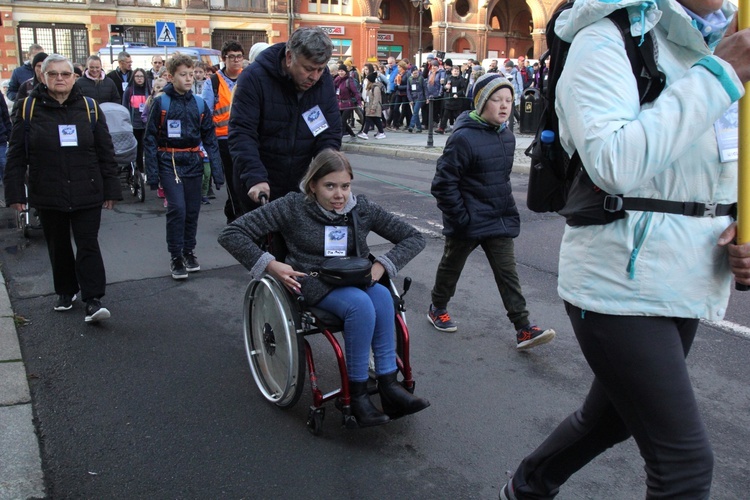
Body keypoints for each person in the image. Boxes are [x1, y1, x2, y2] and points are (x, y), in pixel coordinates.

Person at [498, 0, 750, 497]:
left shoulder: (712, 46)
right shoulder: (604, 38)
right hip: (617, 279)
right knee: (685, 466)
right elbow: (614, 162)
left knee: (610, 418)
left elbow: (718, 167)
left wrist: (742, 225)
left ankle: (525, 488)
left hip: (686, 275)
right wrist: (719, 74)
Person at [218, 148, 430, 427]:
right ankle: (356, 396)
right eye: (330, 186)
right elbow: (231, 233)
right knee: (361, 305)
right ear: (313, 186)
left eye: (345, 186)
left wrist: (383, 265)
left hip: (354, 276)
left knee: (382, 297)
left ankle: (389, 385)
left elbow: (414, 237)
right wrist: (270, 264)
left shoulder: (361, 208)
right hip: (312, 280)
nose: (340, 195)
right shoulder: (292, 207)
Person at [427, 73, 556, 349]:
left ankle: (523, 328)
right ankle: (437, 307)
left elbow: (501, 178)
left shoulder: (507, 137)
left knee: (508, 274)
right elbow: (443, 184)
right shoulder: (463, 138)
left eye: (509, 100)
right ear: (482, 102)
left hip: (498, 218)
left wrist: (506, 210)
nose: (504, 106)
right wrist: (461, 218)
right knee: (451, 268)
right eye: (497, 99)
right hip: (468, 222)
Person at [4, 54, 121, 323]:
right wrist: (14, 194)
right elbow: (16, 156)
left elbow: (105, 151)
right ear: (43, 77)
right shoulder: (27, 108)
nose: (60, 78)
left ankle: (93, 299)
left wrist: (112, 189)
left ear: (74, 77)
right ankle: (66, 291)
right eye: (53, 74)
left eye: (65, 74)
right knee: (58, 245)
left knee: (88, 243)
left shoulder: (90, 107)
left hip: (87, 188)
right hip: (47, 189)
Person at [228, 27, 342, 213]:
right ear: (289, 58)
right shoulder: (254, 78)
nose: (314, 77)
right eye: (308, 69)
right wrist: (255, 177)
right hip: (259, 185)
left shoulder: (323, 81)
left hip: (300, 186)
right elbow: (242, 133)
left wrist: (325, 173)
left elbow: (329, 132)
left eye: (321, 69)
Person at [144, 54, 225, 280]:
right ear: (171, 76)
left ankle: (189, 251)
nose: (189, 79)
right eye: (183, 75)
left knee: (192, 210)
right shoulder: (161, 102)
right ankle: (175, 256)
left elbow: (210, 139)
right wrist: (152, 174)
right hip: (168, 161)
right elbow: (149, 139)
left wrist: (217, 173)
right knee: (177, 209)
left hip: (193, 161)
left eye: (191, 74)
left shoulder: (199, 104)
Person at [202, 40, 244, 223]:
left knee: (243, 178)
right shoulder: (213, 82)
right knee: (233, 179)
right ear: (224, 59)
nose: (236, 61)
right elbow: (206, 113)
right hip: (223, 139)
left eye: (239, 57)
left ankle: (233, 212)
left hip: (245, 137)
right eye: (232, 57)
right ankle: (237, 217)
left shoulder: (247, 78)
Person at [122, 68, 151, 176]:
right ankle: (138, 170)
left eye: (141, 76)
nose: (139, 79)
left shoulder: (148, 90)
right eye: (137, 76)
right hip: (133, 124)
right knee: (136, 148)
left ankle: (146, 170)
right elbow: (125, 107)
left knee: (145, 147)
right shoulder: (129, 91)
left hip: (146, 124)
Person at [437, 65, 468, 133]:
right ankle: (441, 128)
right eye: (455, 71)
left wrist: (457, 94)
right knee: (445, 116)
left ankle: (460, 128)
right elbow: (443, 88)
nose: (456, 72)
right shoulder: (448, 78)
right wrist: (445, 87)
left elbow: (463, 89)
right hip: (449, 99)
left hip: (457, 100)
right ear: (452, 71)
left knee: (457, 116)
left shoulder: (461, 79)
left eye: (457, 71)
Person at [333, 63, 361, 140]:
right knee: (341, 121)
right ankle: (352, 134)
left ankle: (339, 139)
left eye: (342, 71)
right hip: (339, 104)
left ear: (345, 71)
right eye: (339, 71)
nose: (340, 73)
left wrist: (359, 102)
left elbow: (356, 92)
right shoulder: (336, 80)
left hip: (348, 104)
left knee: (342, 122)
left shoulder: (349, 80)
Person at [357, 71, 386, 139]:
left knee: (369, 119)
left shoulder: (376, 88)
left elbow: (376, 99)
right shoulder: (370, 88)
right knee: (375, 120)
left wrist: (373, 108)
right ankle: (381, 132)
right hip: (369, 106)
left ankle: (365, 133)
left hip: (374, 107)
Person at [406, 66, 425, 133]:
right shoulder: (409, 79)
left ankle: (411, 126)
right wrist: (410, 99)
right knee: (415, 113)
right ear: (411, 73)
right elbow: (408, 90)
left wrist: (427, 97)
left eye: (416, 73)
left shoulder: (421, 78)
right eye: (414, 73)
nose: (416, 74)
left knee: (415, 111)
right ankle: (419, 127)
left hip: (420, 97)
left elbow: (424, 88)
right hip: (413, 97)